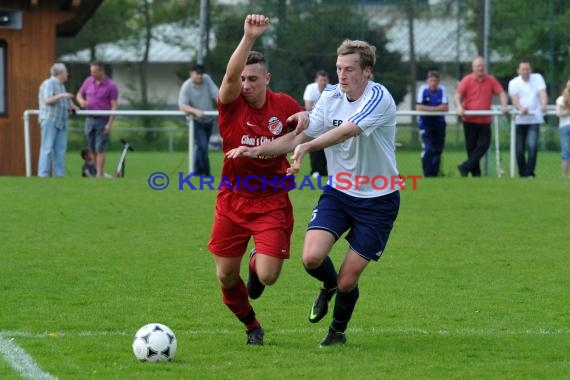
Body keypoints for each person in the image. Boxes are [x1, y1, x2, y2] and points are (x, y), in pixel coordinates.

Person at [228, 39, 400, 347]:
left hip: (378, 200)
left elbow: (346, 130)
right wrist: (256, 151)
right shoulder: (330, 95)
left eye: (349, 69)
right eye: (338, 69)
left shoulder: (378, 96)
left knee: (349, 279)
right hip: (339, 193)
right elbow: (298, 136)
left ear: (367, 71)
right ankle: (328, 286)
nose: (342, 75)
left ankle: (336, 332)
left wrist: (307, 146)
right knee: (311, 258)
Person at [207, 14, 303, 346]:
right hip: (233, 199)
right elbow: (231, 74)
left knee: (268, 275)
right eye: (243, 79)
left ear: (267, 79)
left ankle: (257, 261)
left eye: (252, 79)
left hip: (272, 200)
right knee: (224, 275)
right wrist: (248, 37)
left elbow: (301, 135)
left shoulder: (284, 105)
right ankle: (251, 325)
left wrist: (297, 156)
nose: (245, 84)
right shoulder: (231, 106)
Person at [455, 56, 509, 177]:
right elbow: (458, 95)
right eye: (477, 66)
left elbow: (501, 93)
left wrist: (504, 105)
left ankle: (465, 167)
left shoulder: (490, 80)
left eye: (482, 66)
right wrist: (459, 107)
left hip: (484, 120)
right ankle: (475, 173)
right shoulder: (467, 80)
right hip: (469, 119)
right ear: (473, 68)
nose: (480, 68)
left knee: (484, 145)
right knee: (471, 148)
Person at [76, 61, 119, 177]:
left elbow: (114, 106)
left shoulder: (111, 86)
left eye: (95, 72)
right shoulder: (88, 81)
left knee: (100, 147)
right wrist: (81, 101)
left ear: (101, 71)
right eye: (91, 72)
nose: (92, 74)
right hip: (89, 119)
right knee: (91, 148)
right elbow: (79, 94)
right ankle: (96, 171)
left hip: (102, 120)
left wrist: (109, 124)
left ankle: (99, 174)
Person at [508, 60, 548, 178]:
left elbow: (542, 93)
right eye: (523, 69)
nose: (526, 72)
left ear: (531, 70)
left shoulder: (538, 78)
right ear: (518, 71)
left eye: (528, 69)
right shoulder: (513, 83)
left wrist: (544, 104)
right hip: (519, 120)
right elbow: (514, 99)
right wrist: (521, 108)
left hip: (534, 119)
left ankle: (529, 172)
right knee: (519, 149)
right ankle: (522, 172)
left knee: (532, 145)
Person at [37, 63, 78, 177]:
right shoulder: (48, 83)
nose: (67, 74)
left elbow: (65, 104)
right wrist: (62, 96)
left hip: (62, 122)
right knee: (47, 149)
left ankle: (59, 176)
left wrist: (72, 107)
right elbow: (48, 100)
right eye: (66, 72)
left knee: (60, 150)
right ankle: (43, 176)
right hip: (50, 120)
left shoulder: (62, 86)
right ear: (60, 73)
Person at [178, 64, 219, 176]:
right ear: (191, 73)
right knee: (203, 146)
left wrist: (224, 106)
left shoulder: (207, 80)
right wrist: (196, 111)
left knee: (201, 147)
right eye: (197, 73)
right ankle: (206, 172)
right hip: (196, 122)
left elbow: (217, 94)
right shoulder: (186, 86)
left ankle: (197, 171)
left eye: (201, 73)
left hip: (209, 121)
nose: (200, 76)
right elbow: (182, 106)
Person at [416, 70, 449, 177]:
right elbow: (419, 107)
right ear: (427, 81)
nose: (433, 83)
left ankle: (435, 174)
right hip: (426, 123)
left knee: (438, 150)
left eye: (435, 80)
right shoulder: (423, 90)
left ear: (438, 81)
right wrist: (436, 108)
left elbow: (445, 107)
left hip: (439, 123)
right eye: (431, 80)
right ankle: (427, 173)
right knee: (428, 148)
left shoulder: (442, 90)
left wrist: (429, 109)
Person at [303, 70, 329, 177]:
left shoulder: (331, 89)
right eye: (321, 80)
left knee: (328, 145)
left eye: (325, 80)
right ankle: (315, 170)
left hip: (327, 121)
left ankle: (324, 171)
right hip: (313, 120)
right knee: (314, 145)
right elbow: (308, 107)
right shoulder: (310, 88)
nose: (323, 82)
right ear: (316, 81)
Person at [555, 79, 570, 178]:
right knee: (566, 151)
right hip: (565, 127)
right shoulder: (561, 99)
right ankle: (564, 174)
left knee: (565, 151)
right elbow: (558, 113)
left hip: (564, 127)